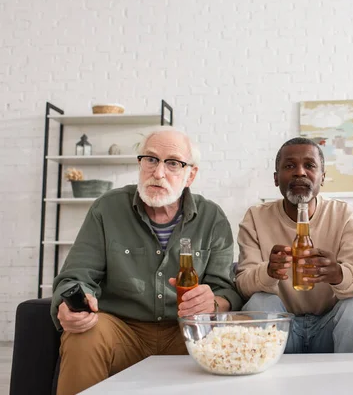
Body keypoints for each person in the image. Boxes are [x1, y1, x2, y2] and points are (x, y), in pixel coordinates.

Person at [50, 129, 242, 395]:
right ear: (140, 163)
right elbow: (76, 276)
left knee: (229, 336)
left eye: (173, 163)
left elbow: (226, 290)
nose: (159, 172)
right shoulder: (107, 208)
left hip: (185, 334)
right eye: (151, 159)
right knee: (84, 334)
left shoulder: (212, 218)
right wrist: (71, 305)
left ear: (191, 175)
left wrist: (213, 302)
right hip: (121, 330)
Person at [235, 137, 353, 353]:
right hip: (282, 325)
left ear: (323, 177)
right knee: (259, 304)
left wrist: (339, 274)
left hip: (331, 325)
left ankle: (348, 381)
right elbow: (242, 285)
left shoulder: (346, 216)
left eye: (309, 166)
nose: (300, 172)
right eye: (290, 166)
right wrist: (268, 272)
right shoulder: (255, 217)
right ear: (276, 178)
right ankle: (269, 383)